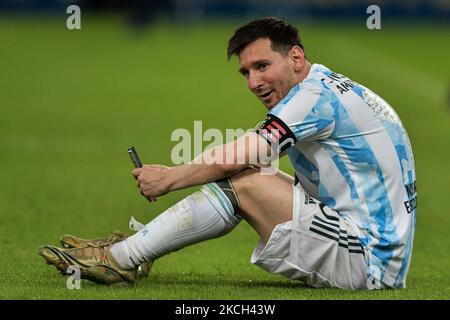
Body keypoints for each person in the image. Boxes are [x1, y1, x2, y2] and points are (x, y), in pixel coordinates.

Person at [39, 17, 417, 290]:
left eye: (262, 66)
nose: (253, 82)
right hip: (370, 247)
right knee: (250, 174)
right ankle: (130, 252)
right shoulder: (322, 88)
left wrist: (169, 178)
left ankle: (120, 259)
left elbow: (239, 156)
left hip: (368, 262)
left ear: (296, 59)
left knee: (248, 180)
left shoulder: (313, 98)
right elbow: (248, 150)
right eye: (246, 72)